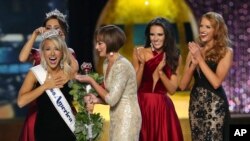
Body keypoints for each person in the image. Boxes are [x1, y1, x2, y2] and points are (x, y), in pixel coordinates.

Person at [18, 9, 78, 141]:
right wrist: (34, 35)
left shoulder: (68, 60)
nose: (52, 53)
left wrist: (61, 43)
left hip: (66, 127)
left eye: (57, 28)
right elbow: (22, 58)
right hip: (42, 118)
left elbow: (74, 71)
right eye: (49, 28)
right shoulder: (36, 70)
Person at [75, 25, 142, 141]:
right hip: (116, 116)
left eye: (100, 43)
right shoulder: (107, 63)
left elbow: (111, 99)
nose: (96, 47)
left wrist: (91, 81)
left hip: (128, 117)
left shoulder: (122, 66)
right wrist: (97, 100)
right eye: (97, 43)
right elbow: (112, 98)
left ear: (110, 43)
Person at [179, 12, 233, 141]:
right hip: (196, 104)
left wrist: (200, 59)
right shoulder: (195, 50)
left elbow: (216, 83)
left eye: (208, 27)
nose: (203, 30)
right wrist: (193, 64)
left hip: (215, 105)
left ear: (217, 30)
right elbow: (182, 85)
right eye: (201, 26)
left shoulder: (226, 51)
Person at [132, 17, 183, 141]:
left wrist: (161, 72)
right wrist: (143, 65)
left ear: (167, 36)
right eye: (152, 34)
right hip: (142, 105)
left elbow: (172, 90)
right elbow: (134, 86)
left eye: (160, 34)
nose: (155, 38)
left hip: (162, 109)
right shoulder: (139, 52)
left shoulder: (175, 56)